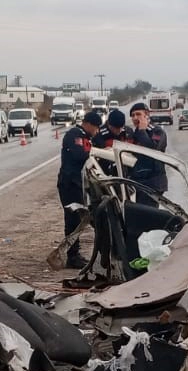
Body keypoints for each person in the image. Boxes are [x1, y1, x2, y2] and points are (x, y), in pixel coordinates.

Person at [57, 111, 102, 268]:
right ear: (88, 124)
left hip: (78, 184)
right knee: (73, 220)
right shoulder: (75, 134)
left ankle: (74, 253)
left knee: (78, 220)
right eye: (96, 128)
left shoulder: (85, 137)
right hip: (69, 184)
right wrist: (95, 152)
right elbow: (79, 155)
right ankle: (72, 256)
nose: (97, 131)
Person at [128, 102, 168, 206]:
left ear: (147, 115)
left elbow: (152, 149)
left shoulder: (157, 131)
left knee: (149, 212)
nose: (135, 118)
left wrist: (142, 131)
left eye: (138, 114)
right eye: (133, 115)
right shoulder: (134, 134)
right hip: (139, 182)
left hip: (153, 182)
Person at [91, 109, 129, 175]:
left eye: (121, 127)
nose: (119, 130)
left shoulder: (126, 131)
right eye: (116, 128)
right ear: (109, 124)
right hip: (105, 169)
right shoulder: (99, 134)